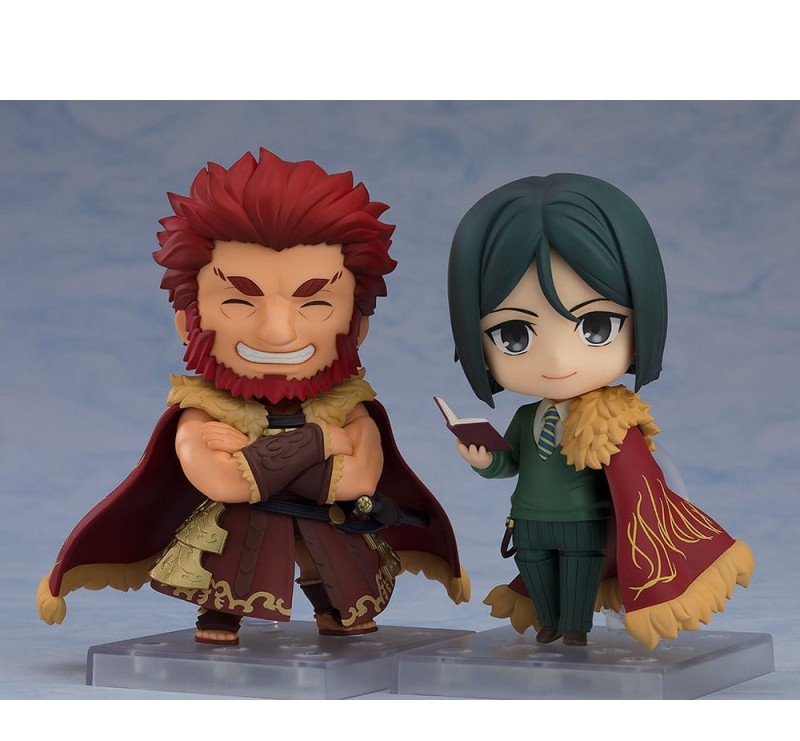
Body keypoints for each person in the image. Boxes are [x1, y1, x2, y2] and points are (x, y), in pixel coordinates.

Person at [37, 148, 469, 645]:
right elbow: (223, 483)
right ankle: (221, 615)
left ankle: (335, 607)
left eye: (315, 302)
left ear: (357, 326)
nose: (278, 332)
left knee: (329, 561)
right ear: (188, 322)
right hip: (240, 532)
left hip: (325, 527)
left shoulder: (351, 409)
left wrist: (253, 456)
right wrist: (319, 443)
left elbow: (358, 481)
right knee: (235, 553)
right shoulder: (203, 412)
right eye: (239, 300)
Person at [447, 173, 752, 649]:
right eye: (514, 335)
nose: (557, 361)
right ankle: (549, 624)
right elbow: (511, 462)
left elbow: (642, 488)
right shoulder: (526, 419)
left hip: (583, 521)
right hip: (528, 518)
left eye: (595, 327)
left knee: (578, 578)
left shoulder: (612, 422)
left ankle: (575, 630)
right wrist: (485, 461)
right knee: (536, 572)